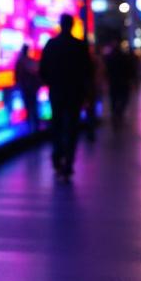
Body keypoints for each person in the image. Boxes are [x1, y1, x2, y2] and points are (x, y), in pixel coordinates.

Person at [39, 14, 94, 179]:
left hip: (56, 91)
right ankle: (69, 161)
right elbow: (87, 71)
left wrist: (51, 83)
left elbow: (43, 69)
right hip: (75, 93)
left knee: (57, 124)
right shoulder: (80, 46)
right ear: (72, 26)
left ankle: (57, 156)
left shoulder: (51, 44)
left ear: (60, 25)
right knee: (72, 126)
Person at [103, 42, 137, 124]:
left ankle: (115, 111)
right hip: (123, 81)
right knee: (123, 97)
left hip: (114, 81)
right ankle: (119, 111)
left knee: (114, 97)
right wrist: (131, 79)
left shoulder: (109, 58)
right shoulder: (124, 57)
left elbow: (106, 70)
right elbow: (130, 69)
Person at [14, 45, 41, 134]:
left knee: (31, 108)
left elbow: (17, 77)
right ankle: (34, 129)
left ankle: (32, 129)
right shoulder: (28, 61)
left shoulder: (21, 62)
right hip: (29, 89)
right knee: (33, 108)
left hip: (27, 89)